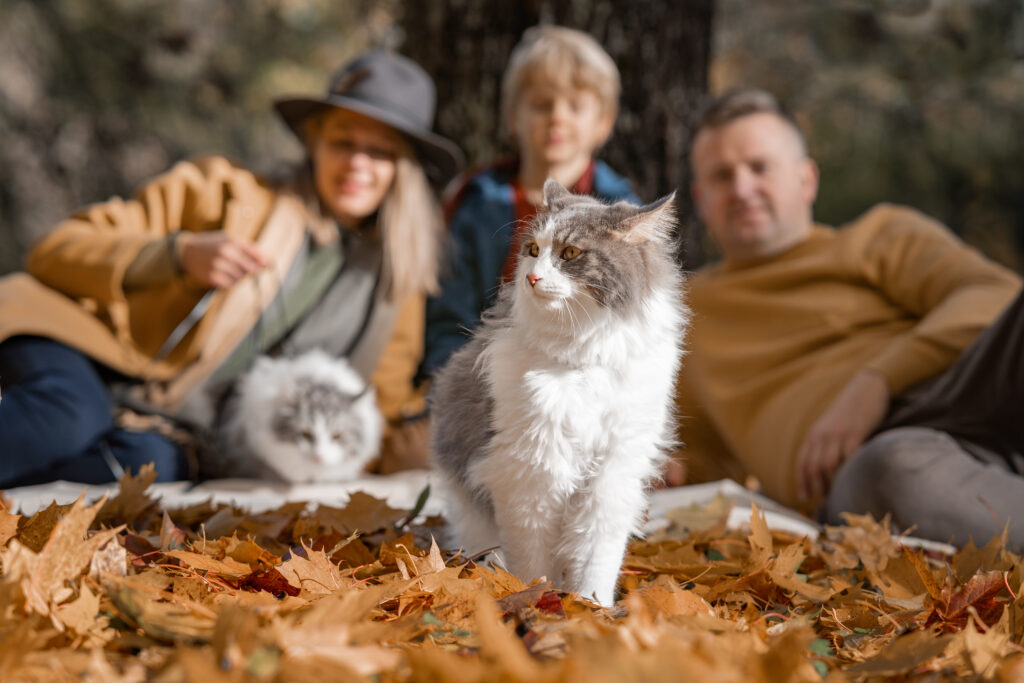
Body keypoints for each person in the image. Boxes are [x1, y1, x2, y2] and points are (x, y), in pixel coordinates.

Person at [0, 50, 463, 488]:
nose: (357, 163)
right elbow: (56, 249)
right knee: (68, 415)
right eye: (343, 141)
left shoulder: (397, 279)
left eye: (380, 151)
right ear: (314, 142)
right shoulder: (224, 191)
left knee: (150, 467)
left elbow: (378, 404)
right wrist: (177, 256)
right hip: (84, 344)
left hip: (175, 421)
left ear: (404, 167)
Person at [674, 87, 1024, 547]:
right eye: (722, 176)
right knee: (890, 469)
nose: (742, 189)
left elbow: (996, 295)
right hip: (877, 464)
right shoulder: (682, 313)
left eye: (760, 167)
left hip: (966, 393)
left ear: (807, 180)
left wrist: (875, 381)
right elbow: (687, 462)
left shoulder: (880, 236)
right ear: (701, 199)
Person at [421, 25, 639, 376]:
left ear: (603, 122)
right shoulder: (477, 204)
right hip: (486, 381)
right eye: (541, 104)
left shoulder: (621, 211)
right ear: (513, 118)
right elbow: (449, 318)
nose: (557, 116)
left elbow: (634, 322)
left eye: (575, 105)